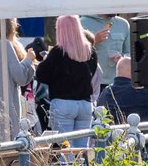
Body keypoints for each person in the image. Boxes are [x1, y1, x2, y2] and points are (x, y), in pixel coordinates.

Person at [36, 16, 100, 147]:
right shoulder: (90, 51)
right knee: (82, 149)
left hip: (62, 103)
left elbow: (42, 76)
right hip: (85, 104)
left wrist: (46, 60)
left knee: (64, 149)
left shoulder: (58, 52)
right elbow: (92, 73)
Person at [0, 20, 36, 139]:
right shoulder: (5, 44)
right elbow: (20, 77)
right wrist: (28, 60)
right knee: (10, 143)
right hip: (7, 102)